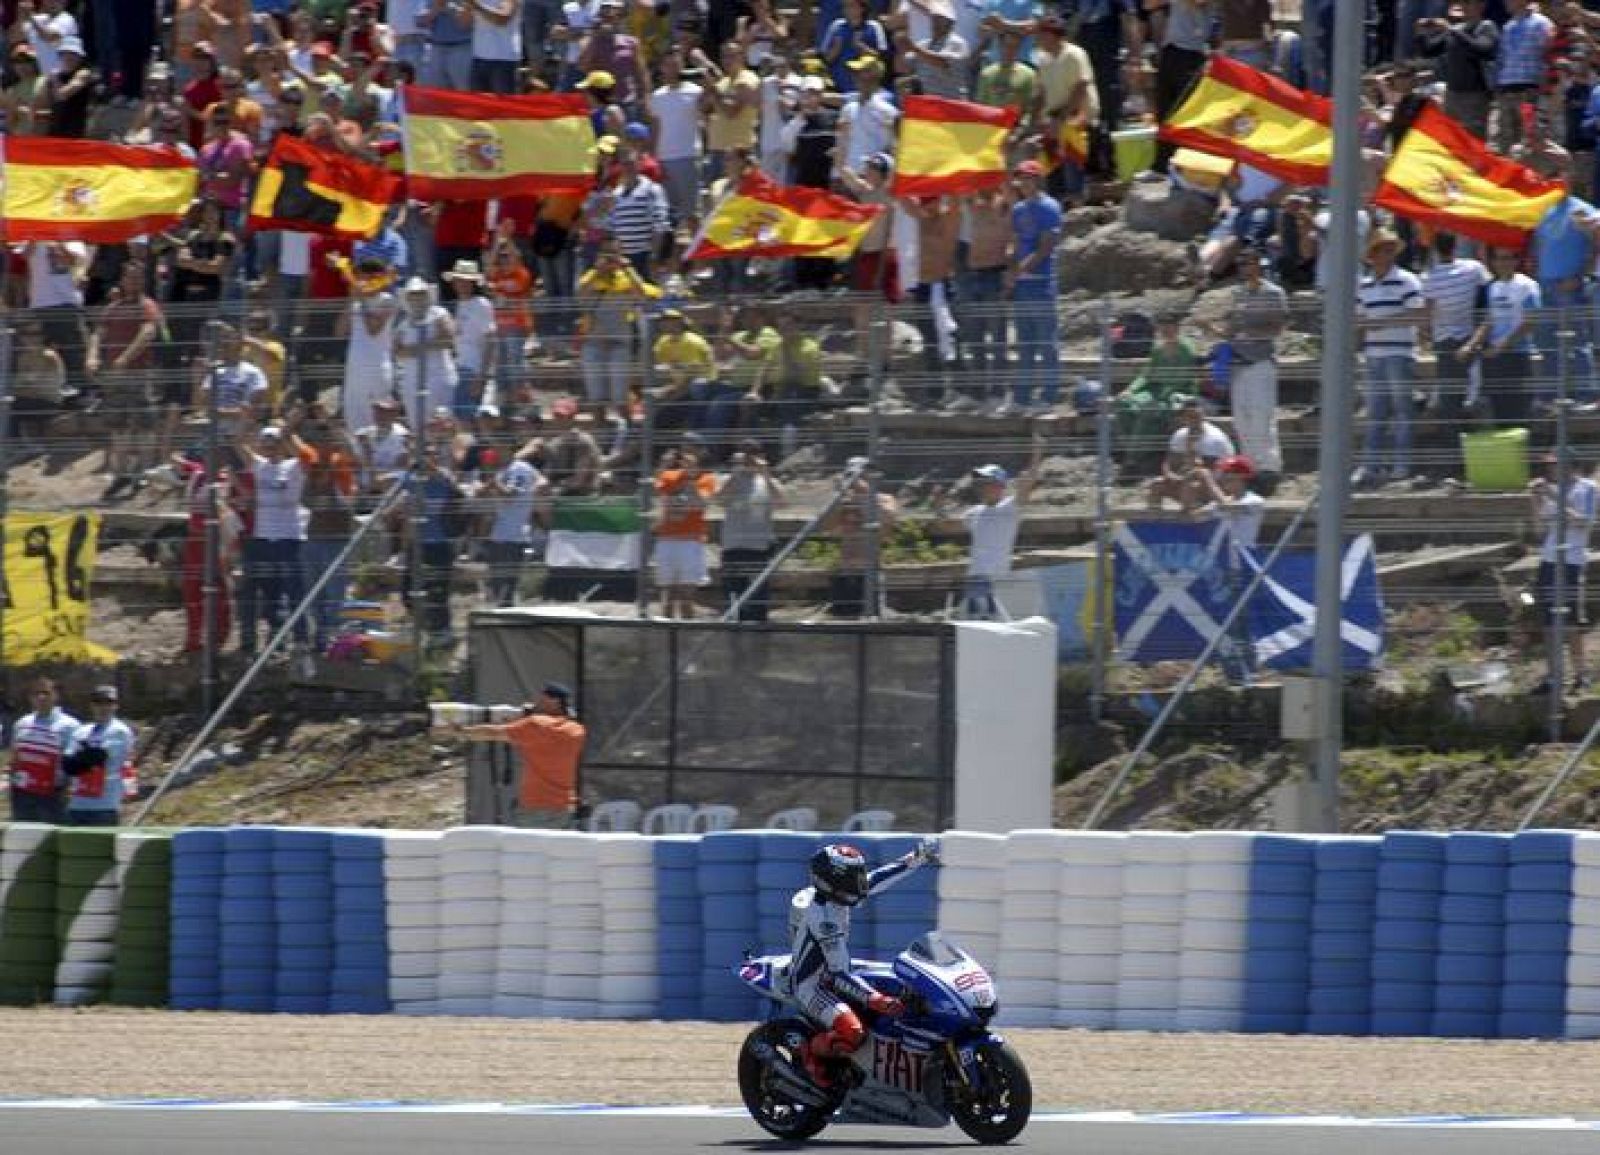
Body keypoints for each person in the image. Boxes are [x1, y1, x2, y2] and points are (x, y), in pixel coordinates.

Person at [789, 838, 940, 1088]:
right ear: (831, 882)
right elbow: (839, 975)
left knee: (900, 984)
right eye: (852, 879)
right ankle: (807, 1052)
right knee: (854, 1032)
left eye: (858, 876)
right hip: (814, 984)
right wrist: (878, 1001)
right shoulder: (822, 917)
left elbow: (878, 878)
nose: (860, 884)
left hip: (837, 967)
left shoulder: (838, 893)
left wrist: (917, 858)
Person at [455, 683, 586, 827]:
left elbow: (493, 732)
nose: (537, 703)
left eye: (542, 699)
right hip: (565, 806)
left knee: (528, 848)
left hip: (536, 806)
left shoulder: (536, 725)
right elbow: (556, 727)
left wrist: (462, 731)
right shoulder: (577, 730)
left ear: (553, 701)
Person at [1354, 228, 1424, 488]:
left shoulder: (1407, 280)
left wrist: (1380, 323)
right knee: (1377, 413)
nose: (1386, 254)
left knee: (1401, 411)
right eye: (1381, 249)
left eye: (1389, 249)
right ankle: (1372, 464)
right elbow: (1359, 318)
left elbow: (1419, 314)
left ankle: (1400, 465)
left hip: (1399, 352)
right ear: (1372, 255)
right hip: (1374, 354)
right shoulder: (1364, 284)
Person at [957, 435, 1043, 620]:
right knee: (976, 628)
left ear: (999, 485)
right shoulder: (974, 512)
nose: (980, 486)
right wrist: (939, 510)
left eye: (986, 482)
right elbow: (948, 525)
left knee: (996, 627)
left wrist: (1036, 452)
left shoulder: (1009, 509)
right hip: (974, 580)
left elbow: (1029, 481)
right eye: (979, 482)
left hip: (995, 580)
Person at [1530, 452, 1596, 693]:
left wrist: (1552, 496)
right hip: (1549, 560)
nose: (1551, 470)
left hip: (1572, 561)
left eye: (1555, 465)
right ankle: (1553, 677)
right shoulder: (1551, 491)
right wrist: (1536, 501)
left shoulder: (1587, 488)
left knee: (1570, 621)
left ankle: (1581, 674)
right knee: (1548, 621)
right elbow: (1539, 531)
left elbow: (1584, 522)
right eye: (1549, 466)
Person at [1226, 246, 1289, 491]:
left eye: (1249, 262)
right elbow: (1233, 326)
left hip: (1261, 360)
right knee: (1242, 419)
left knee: (1262, 417)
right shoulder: (1238, 294)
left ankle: (1268, 468)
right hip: (1239, 361)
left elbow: (1279, 326)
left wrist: (1251, 332)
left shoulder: (1273, 293)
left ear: (1258, 265)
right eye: (1241, 263)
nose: (1245, 268)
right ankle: (1249, 467)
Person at [717, 441, 785, 621]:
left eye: (753, 454)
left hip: (759, 549)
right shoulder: (729, 480)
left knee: (758, 602)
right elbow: (719, 500)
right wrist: (736, 474)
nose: (749, 459)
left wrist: (767, 474)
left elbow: (782, 503)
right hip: (733, 547)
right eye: (745, 454)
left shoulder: (768, 481)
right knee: (734, 603)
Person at [654, 448, 718, 619]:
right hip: (667, 540)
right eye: (683, 461)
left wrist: (690, 481)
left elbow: (701, 504)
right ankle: (667, 634)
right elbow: (659, 490)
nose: (685, 465)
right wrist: (663, 465)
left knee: (686, 597)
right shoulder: (670, 476)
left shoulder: (706, 479)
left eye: (690, 462)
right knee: (667, 595)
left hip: (690, 542)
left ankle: (686, 634)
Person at [61, 685, 136, 828]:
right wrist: (84, 758)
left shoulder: (120, 731)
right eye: (98, 702)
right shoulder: (81, 731)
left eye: (109, 703)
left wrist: (81, 756)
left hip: (105, 806)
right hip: (78, 804)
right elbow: (68, 766)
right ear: (91, 705)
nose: (103, 707)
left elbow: (98, 757)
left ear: (116, 706)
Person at [7, 677, 79, 823]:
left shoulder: (70, 726)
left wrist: (71, 790)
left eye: (46, 693)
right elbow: (15, 757)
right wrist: (11, 785)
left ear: (56, 695)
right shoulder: (21, 723)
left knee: (51, 841)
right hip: (23, 794)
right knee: (23, 841)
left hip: (53, 795)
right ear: (30, 698)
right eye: (36, 693)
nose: (41, 697)